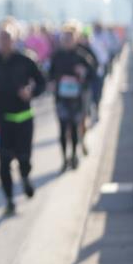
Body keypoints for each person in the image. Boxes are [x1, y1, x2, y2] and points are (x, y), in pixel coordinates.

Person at [0, 23, 47, 216]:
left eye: (8, 38)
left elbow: (42, 83)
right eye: (1, 38)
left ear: (15, 39)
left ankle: (25, 176)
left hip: (23, 117)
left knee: (23, 158)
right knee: (3, 162)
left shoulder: (26, 59)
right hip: (0, 120)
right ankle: (10, 201)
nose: (4, 42)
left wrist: (31, 91)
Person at [48, 25, 95, 171]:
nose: (67, 41)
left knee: (75, 127)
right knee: (62, 129)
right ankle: (64, 159)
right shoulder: (57, 56)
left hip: (77, 98)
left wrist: (84, 73)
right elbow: (49, 74)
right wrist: (52, 83)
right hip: (61, 98)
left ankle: (74, 155)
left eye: (69, 38)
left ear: (75, 39)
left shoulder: (82, 56)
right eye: (64, 39)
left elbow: (93, 73)